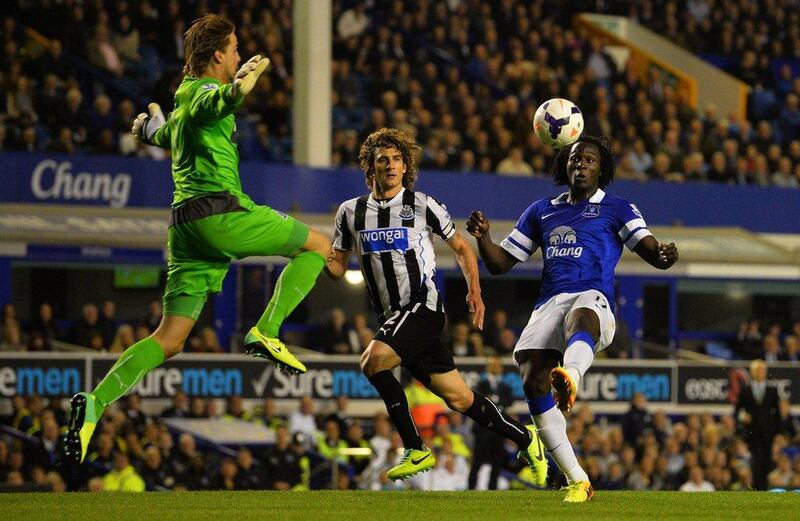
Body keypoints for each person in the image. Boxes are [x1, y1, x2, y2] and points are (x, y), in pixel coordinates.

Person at [64, 14, 332, 464]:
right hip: (219, 213)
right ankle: (266, 330)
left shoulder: (183, 96)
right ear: (217, 57)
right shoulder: (206, 93)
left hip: (185, 230)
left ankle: (94, 404)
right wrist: (239, 87)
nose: (241, 55)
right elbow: (218, 103)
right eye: (235, 49)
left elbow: (170, 131)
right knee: (319, 245)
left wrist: (150, 129)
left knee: (169, 340)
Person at [326, 128, 547, 483]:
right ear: (370, 167)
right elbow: (337, 268)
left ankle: (415, 448)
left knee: (372, 360)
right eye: (383, 159)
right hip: (394, 320)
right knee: (459, 398)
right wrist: (312, 252)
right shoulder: (350, 212)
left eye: (398, 159)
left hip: (422, 308)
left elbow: (461, 247)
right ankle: (526, 438)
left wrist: (475, 291)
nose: (391, 165)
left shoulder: (422, 204)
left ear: (406, 166)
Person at [466, 135, 679, 502]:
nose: (581, 165)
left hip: (592, 297)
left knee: (581, 316)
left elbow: (651, 251)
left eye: (590, 160)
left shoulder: (617, 208)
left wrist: (664, 254)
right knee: (533, 381)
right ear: (565, 165)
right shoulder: (541, 210)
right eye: (576, 159)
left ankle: (572, 376)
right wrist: (484, 238)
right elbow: (500, 263)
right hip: (549, 302)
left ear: (602, 168)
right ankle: (578, 480)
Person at [468, 356, 517, 490]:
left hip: (498, 428)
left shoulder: (505, 386)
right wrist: (496, 401)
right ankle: (471, 487)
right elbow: (478, 399)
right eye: (493, 365)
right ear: (488, 367)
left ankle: (492, 489)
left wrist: (495, 400)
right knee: (477, 460)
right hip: (482, 427)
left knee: (496, 460)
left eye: (498, 365)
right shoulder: (480, 384)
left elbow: (510, 401)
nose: (496, 367)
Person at [734, 359, 781, 490]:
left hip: (768, 432)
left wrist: (778, 433)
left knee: (766, 460)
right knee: (756, 460)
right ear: (752, 372)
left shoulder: (772, 390)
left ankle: (764, 488)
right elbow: (738, 410)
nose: (761, 373)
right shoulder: (745, 390)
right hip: (751, 432)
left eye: (763, 370)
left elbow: (777, 413)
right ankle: (756, 488)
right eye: (758, 370)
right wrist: (743, 418)